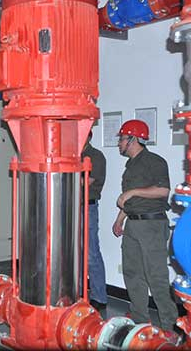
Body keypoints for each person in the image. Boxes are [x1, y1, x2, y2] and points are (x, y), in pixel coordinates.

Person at [112, 119, 178, 339]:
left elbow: (162, 191)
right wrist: (119, 220)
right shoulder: (131, 165)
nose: (119, 143)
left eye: (122, 139)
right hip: (133, 223)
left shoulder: (154, 161)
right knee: (132, 273)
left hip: (151, 225)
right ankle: (140, 318)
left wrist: (131, 193)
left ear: (132, 139)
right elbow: (130, 201)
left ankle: (170, 325)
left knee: (156, 276)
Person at [82, 130, 107, 312]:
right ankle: (77, 294)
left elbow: (85, 182)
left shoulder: (95, 156)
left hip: (87, 207)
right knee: (73, 254)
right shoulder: (73, 156)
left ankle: (99, 297)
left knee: (91, 254)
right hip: (71, 207)